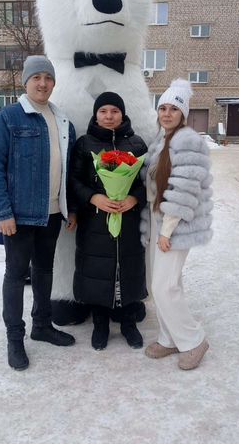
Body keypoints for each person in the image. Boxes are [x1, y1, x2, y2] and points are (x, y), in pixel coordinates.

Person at [0, 55, 77, 371]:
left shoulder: (62, 121)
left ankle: (42, 325)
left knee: (44, 271)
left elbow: (69, 171)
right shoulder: (8, 118)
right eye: (36, 77)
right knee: (15, 275)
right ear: (25, 82)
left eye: (48, 78)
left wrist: (69, 208)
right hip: (19, 216)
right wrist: (2, 212)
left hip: (52, 214)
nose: (43, 83)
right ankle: (14, 338)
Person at [141, 79, 213, 370]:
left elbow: (184, 190)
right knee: (165, 283)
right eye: (163, 108)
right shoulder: (161, 140)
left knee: (164, 286)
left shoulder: (188, 140)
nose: (167, 113)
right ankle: (169, 338)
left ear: (183, 113)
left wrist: (166, 231)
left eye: (174, 109)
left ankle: (194, 340)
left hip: (176, 224)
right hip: (158, 220)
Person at [70, 92, 148, 351]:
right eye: (103, 111)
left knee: (127, 268)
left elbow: (148, 182)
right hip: (95, 222)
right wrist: (94, 198)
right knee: (98, 272)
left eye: (114, 111)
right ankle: (100, 324)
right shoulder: (84, 144)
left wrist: (134, 199)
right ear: (95, 114)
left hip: (128, 221)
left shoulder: (137, 144)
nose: (109, 116)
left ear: (123, 114)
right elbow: (73, 181)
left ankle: (128, 323)